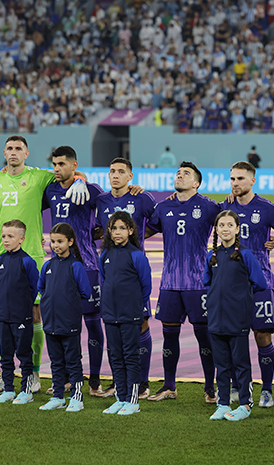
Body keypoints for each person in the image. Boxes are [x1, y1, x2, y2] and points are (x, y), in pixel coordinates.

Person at [0, 135, 89, 392]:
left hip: (31, 255)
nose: (13, 152)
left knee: (35, 313)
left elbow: (72, 171)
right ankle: (5, 369)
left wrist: (81, 179)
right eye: (9, 148)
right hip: (2, 256)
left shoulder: (39, 177)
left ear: (26, 153)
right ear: (4, 152)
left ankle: (35, 374)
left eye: (18, 148)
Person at [147, 162, 221, 403]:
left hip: (198, 282)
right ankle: (169, 386)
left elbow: (230, 223)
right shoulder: (163, 206)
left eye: (186, 174)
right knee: (169, 335)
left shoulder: (208, 206)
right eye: (178, 173)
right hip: (169, 282)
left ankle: (211, 387)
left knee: (204, 337)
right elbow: (144, 230)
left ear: (196, 183)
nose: (180, 175)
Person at [43, 146, 108, 397]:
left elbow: (108, 214)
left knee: (92, 325)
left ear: (74, 164)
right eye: (54, 164)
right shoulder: (49, 189)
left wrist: (83, 180)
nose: (57, 168)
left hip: (88, 266)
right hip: (59, 268)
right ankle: (69, 378)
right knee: (65, 325)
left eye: (61, 164)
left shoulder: (91, 191)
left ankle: (94, 381)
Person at [220, 161, 274, 408]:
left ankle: (267, 390)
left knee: (262, 336)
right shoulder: (225, 207)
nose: (236, 183)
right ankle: (238, 386)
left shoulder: (266, 208)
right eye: (233, 179)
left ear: (252, 181)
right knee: (235, 338)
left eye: (240, 179)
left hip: (261, 283)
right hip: (231, 285)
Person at [94, 158, 157, 397]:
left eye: (121, 172)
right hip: (110, 265)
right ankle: (120, 382)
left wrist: (138, 238)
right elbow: (95, 228)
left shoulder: (142, 198)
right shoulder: (100, 200)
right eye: (112, 171)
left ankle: (142, 381)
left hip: (133, 270)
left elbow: (160, 221)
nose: (116, 175)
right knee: (115, 331)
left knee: (140, 325)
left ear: (130, 176)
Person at [203, 210, 267, 421]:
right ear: (217, 229)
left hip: (237, 318)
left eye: (230, 225)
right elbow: (208, 282)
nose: (225, 229)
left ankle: (245, 404)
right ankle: (222, 403)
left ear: (237, 229)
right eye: (221, 225)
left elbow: (260, 283)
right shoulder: (212, 255)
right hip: (216, 319)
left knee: (240, 364)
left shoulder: (245, 255)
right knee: (221, 365)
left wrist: (240, 301)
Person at [99, 211, 151, 416]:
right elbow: (105, 281)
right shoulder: (105, 255)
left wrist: (134, 306)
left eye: (122, 228)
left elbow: (145, 286)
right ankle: (121, 397)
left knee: (130, 356)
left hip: (130, 314)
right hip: (110, 314)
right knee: (115, 356)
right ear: (109, 232)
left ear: (130, 230)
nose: (117, 232)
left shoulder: (137, 255)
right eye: (114, 228)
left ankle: (133, 400)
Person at [38, 223, 92, 412]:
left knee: (73, 361)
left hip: (69, 322)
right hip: (50, 323)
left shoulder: (76, 266)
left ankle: (77, 397)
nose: (56, 245)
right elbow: (42, 288)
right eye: (53, 241)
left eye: (60, 241)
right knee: (56, 362)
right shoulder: (48, 265)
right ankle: (58, 396)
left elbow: (85, 292)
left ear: (70, 242)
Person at [0, 220, 40, 404]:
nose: (6, 240)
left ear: (21, 239)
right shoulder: (1, 259)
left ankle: (26, 390)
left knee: (24, 354)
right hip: (3, 317)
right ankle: (8, 388)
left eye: (10, 236)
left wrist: (23, 308)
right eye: (3, 236)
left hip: (21, 317)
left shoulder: (27, 261)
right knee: (5, 355)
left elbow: (34, 288)